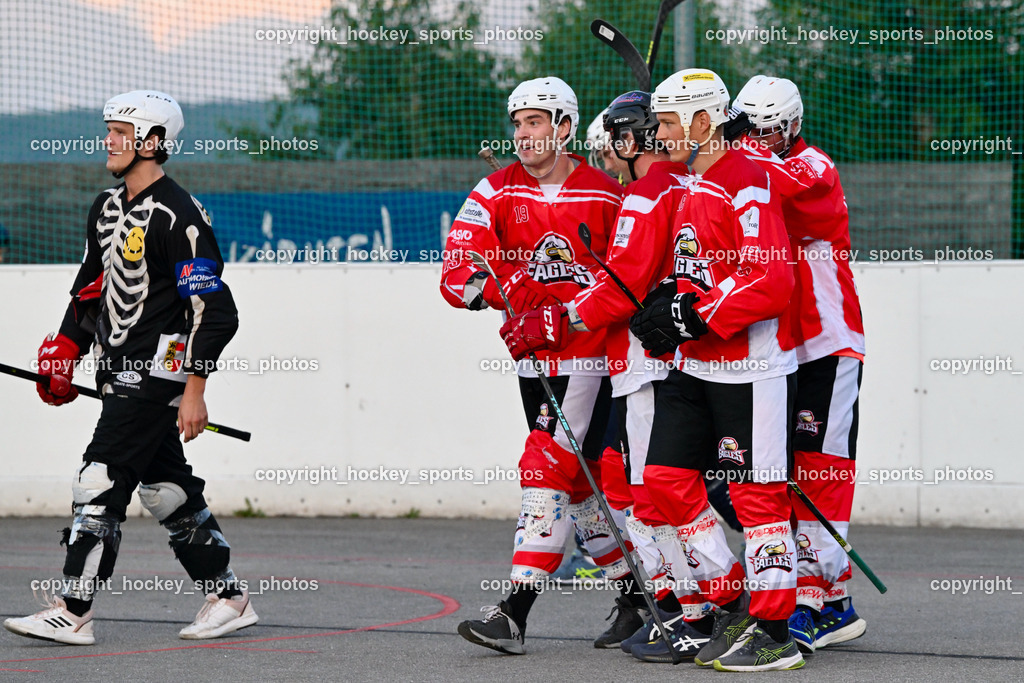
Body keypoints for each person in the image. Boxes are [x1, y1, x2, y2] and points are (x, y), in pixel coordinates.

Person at [3, 90, 254, 646]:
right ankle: (229, 597)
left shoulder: (179, 215)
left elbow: (215, 312)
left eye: (121, 132)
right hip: (116, 370)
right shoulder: (105, 207)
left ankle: (73, 609)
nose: (109, 141)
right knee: (165, 489)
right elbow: (89, 289)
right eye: (109, 131)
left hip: (157, 374)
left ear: (153, 142)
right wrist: (65, 351)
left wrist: (195, 388)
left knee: (99, 478)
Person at [500, 90, 719, 660]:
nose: (603, 159)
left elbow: (622, 285)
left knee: (652, 491)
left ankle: (702, 608)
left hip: (644, 364)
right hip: (659, 360)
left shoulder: (650, 193)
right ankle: (675, 605)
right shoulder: (675, 185)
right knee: (633, 487)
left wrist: (559, 316)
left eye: (611, 146)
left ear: (631, 141)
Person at [440, 76, 631, 655]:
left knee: (546, 468)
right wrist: (501, 292)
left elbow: (629, 276)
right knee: (578, 488)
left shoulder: (605, 193)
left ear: (565, 126)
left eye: (535, 121)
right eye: (517, 123)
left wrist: (567, 310)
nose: (523, 134)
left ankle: (514, 611)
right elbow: (455, 274)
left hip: (588, 360)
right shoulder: (495, 190)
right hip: (533, 365)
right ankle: (640, 598)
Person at [627, 68, 806, 672]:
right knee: (663, 479)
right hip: (695, 368)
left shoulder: (746, 179)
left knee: (758, 500)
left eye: (670, 122)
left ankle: (776, 630)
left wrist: (694, 315)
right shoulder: (690, 181)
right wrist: (667, 305)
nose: (660, 133)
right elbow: (694, 271)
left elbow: (771, 280)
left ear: (705, 121)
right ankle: (731, 596)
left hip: (750, 369)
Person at [734, 75, 867, 653]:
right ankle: (829, 597)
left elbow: (770, 180)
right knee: (779, 475)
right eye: (752, 131)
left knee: (822, 471)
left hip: (828, 344)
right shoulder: (744, 173)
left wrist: (728, 148)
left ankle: (814, 598)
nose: (762, 142)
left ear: (792, 125)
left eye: (770, 132)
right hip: (779, 347)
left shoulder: (813, 167)